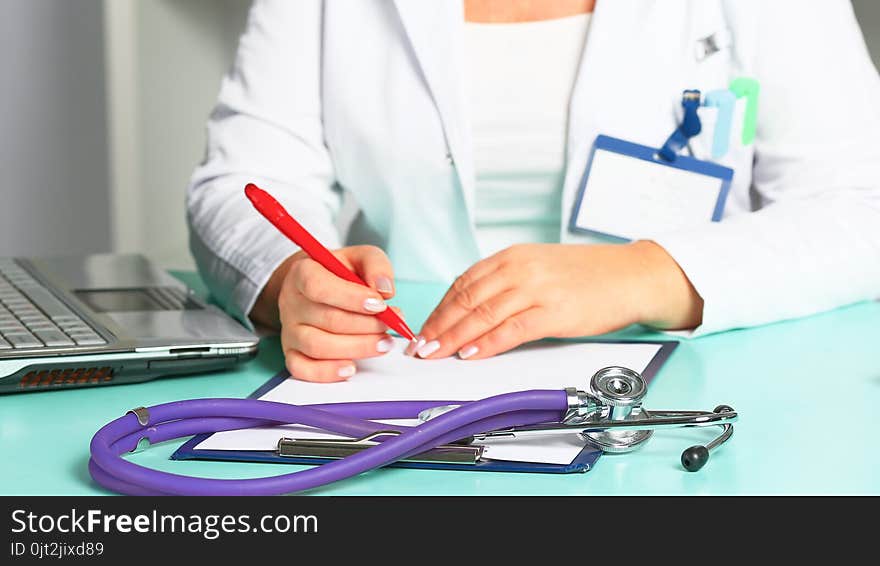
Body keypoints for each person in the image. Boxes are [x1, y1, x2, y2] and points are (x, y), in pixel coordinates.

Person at [187, 0, 880, 382]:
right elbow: (245, 182)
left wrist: (651, 275)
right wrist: (292, 280)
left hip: (708, 376)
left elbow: (862, 205)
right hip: (403, 376)